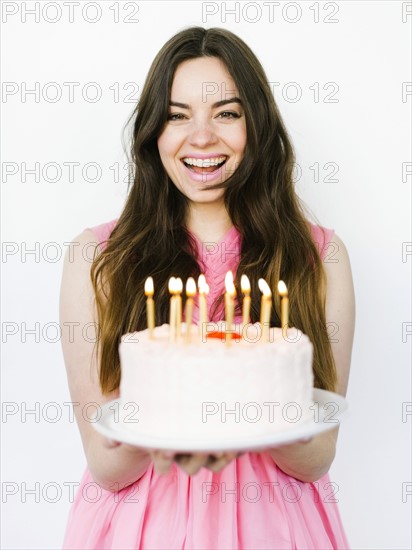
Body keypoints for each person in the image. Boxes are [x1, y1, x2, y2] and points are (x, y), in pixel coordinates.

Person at [60, 26, 355, 549]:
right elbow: (105, 465)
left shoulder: (320, 257)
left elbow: (319, 458)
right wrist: (172, 426)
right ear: (154, 132)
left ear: (256, 125)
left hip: (277, 526)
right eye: (177, 115)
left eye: (226, 113)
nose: (201, 137)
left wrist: (255, 407)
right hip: (141, 528)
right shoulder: (98, 259)